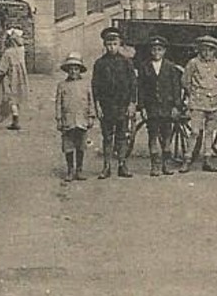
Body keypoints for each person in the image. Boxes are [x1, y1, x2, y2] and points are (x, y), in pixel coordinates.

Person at [91, 26, 138, 179]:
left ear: (120, 44)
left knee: (122, 136)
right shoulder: (99, 64)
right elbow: (95, 86)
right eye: (109, 44)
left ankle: (122, 164)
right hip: (107, 106)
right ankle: (106, 166)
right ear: (105, 45)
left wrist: (132, 103)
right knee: (107, 136)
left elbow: (133, 84)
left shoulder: (126, 63)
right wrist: (97, 105)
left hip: (122, 105)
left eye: (115, 44)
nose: (112, 47)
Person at [136, 36, 185, 175]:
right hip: (151, 108)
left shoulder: (170, 67)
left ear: (164, 51)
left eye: (160, 49)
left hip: (166, 107)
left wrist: (176, 106)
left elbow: (176, 88)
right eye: (154, 49)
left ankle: (166, 164)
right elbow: (141, 88)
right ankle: (155, 165)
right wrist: (142, 107)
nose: (156, 52)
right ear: (150, 51)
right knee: (152, 135)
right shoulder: (145, 67)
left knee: (167, 135)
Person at [181, 34, 217, 172]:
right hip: (198, 102)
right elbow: (185, 81)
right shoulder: (193, 63)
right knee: (194, 132)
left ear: (214, 51)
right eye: (204, 50)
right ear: (200, 50)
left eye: (210, 50)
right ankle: (187, 159)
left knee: (210, 132)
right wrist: (193, 94)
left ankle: (207, 159)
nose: (207, 53)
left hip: (213, 102)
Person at [53, 52, 94, 182]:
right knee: (68, 145)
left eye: (76, 69)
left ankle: (79, 170)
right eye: (70, 69)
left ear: (80, 70)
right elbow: (58, 103)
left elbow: (90, 101)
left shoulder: (85, 85)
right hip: (68, 120)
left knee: (81, 145)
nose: (73, 71)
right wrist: (59, 119)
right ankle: (70, 169)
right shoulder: (62, 85)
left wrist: (91, 116)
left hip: (81, 119)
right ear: (67, 70)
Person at [0, 26, 28, 130]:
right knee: (17, 95)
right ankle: (16, 115)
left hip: (11, 76)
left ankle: (15, 119)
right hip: (21, 76)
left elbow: (3, 68)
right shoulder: (21, 50)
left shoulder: (8, 53)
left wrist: (0, 75)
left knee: (11, 97)